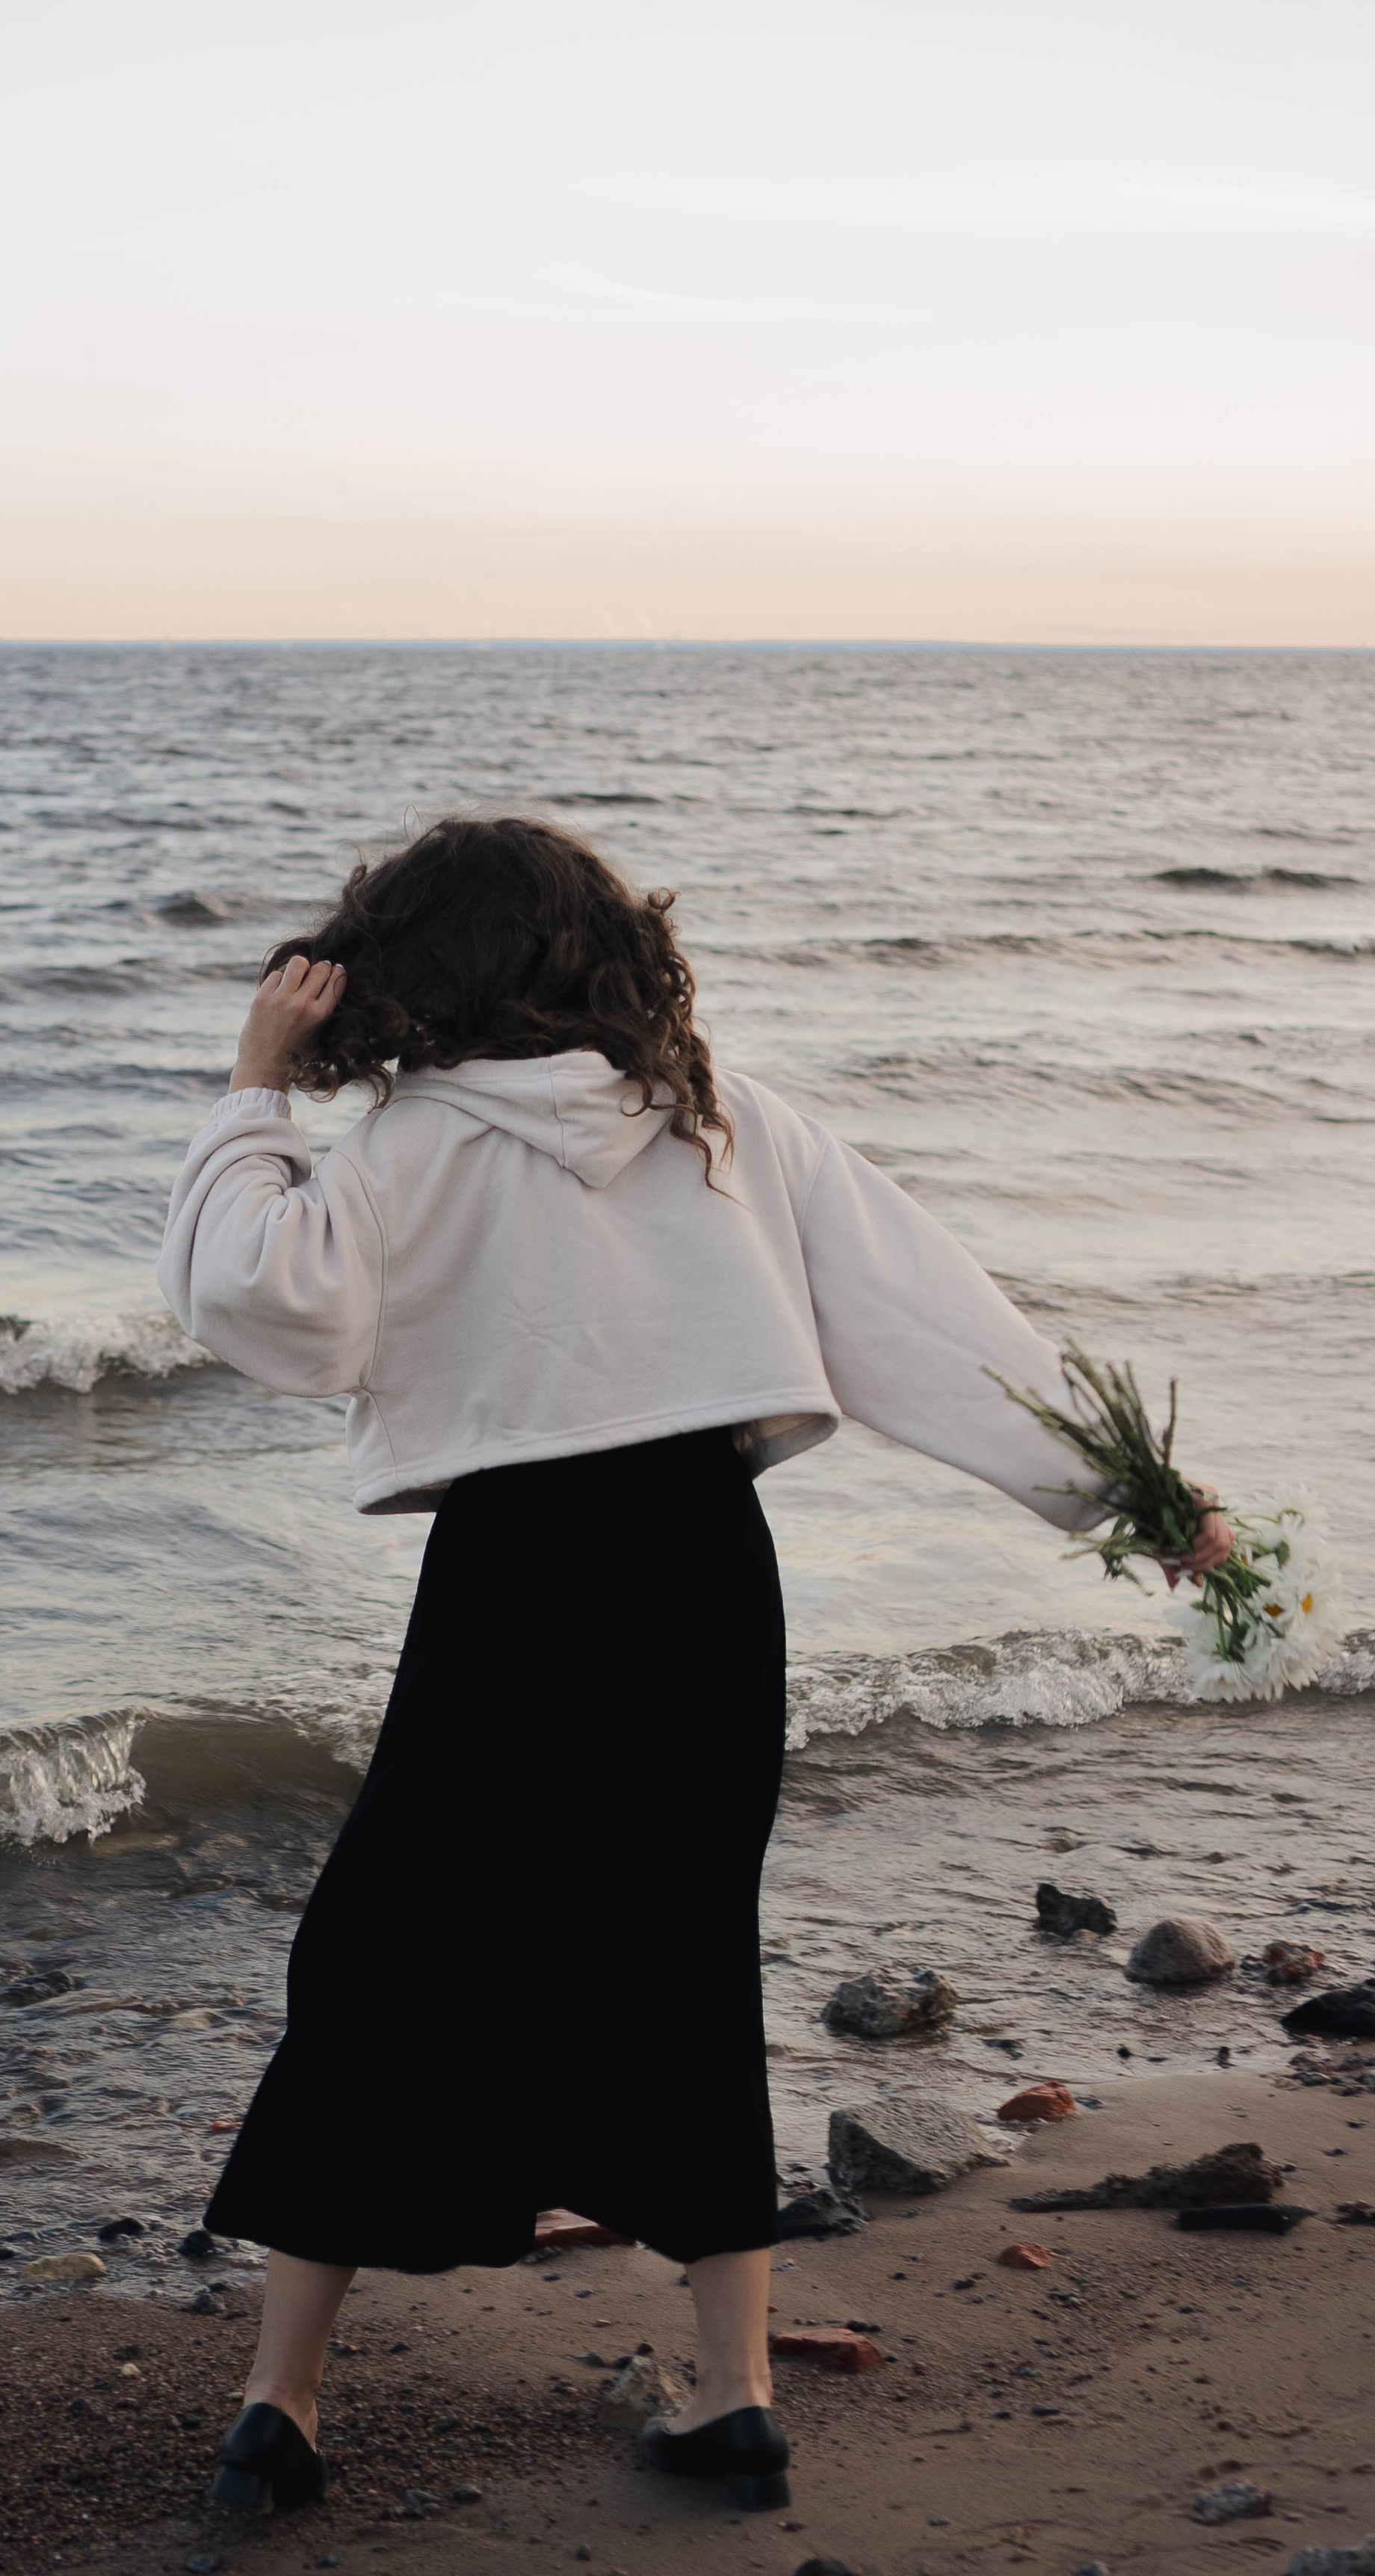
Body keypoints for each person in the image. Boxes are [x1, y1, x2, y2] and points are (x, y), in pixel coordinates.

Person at [156, 813, 1232, 2520]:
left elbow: (262, 1306)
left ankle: (278, 2406)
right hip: (698, 1569)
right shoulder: (726, 1125)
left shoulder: (406, 1145)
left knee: (387, 1953)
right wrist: (1140, 1495)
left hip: (512, 1572)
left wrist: (254, 1088)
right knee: (681, 1955)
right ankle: (734, 2400)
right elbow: (937, 1329)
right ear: (606, 951)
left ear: (414, 962)